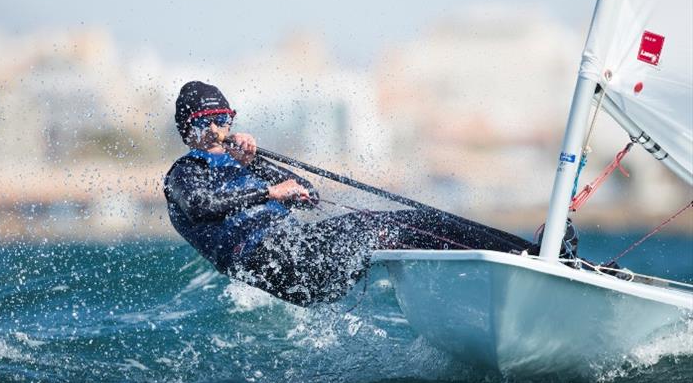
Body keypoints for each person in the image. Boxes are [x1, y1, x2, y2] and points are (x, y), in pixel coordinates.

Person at [164, 81, 543, 307]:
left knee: (414, 223)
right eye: (205, 122)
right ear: (187, 129)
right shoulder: (182, 174)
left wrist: (253, 164)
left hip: (302, 250)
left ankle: (530, 255)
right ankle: (528, 259)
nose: (217, 129)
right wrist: (269, 191)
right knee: (391, 226)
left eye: (223, 119)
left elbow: (306, 193)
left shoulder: (241, 164)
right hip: (282, 266)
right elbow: (200, 206)